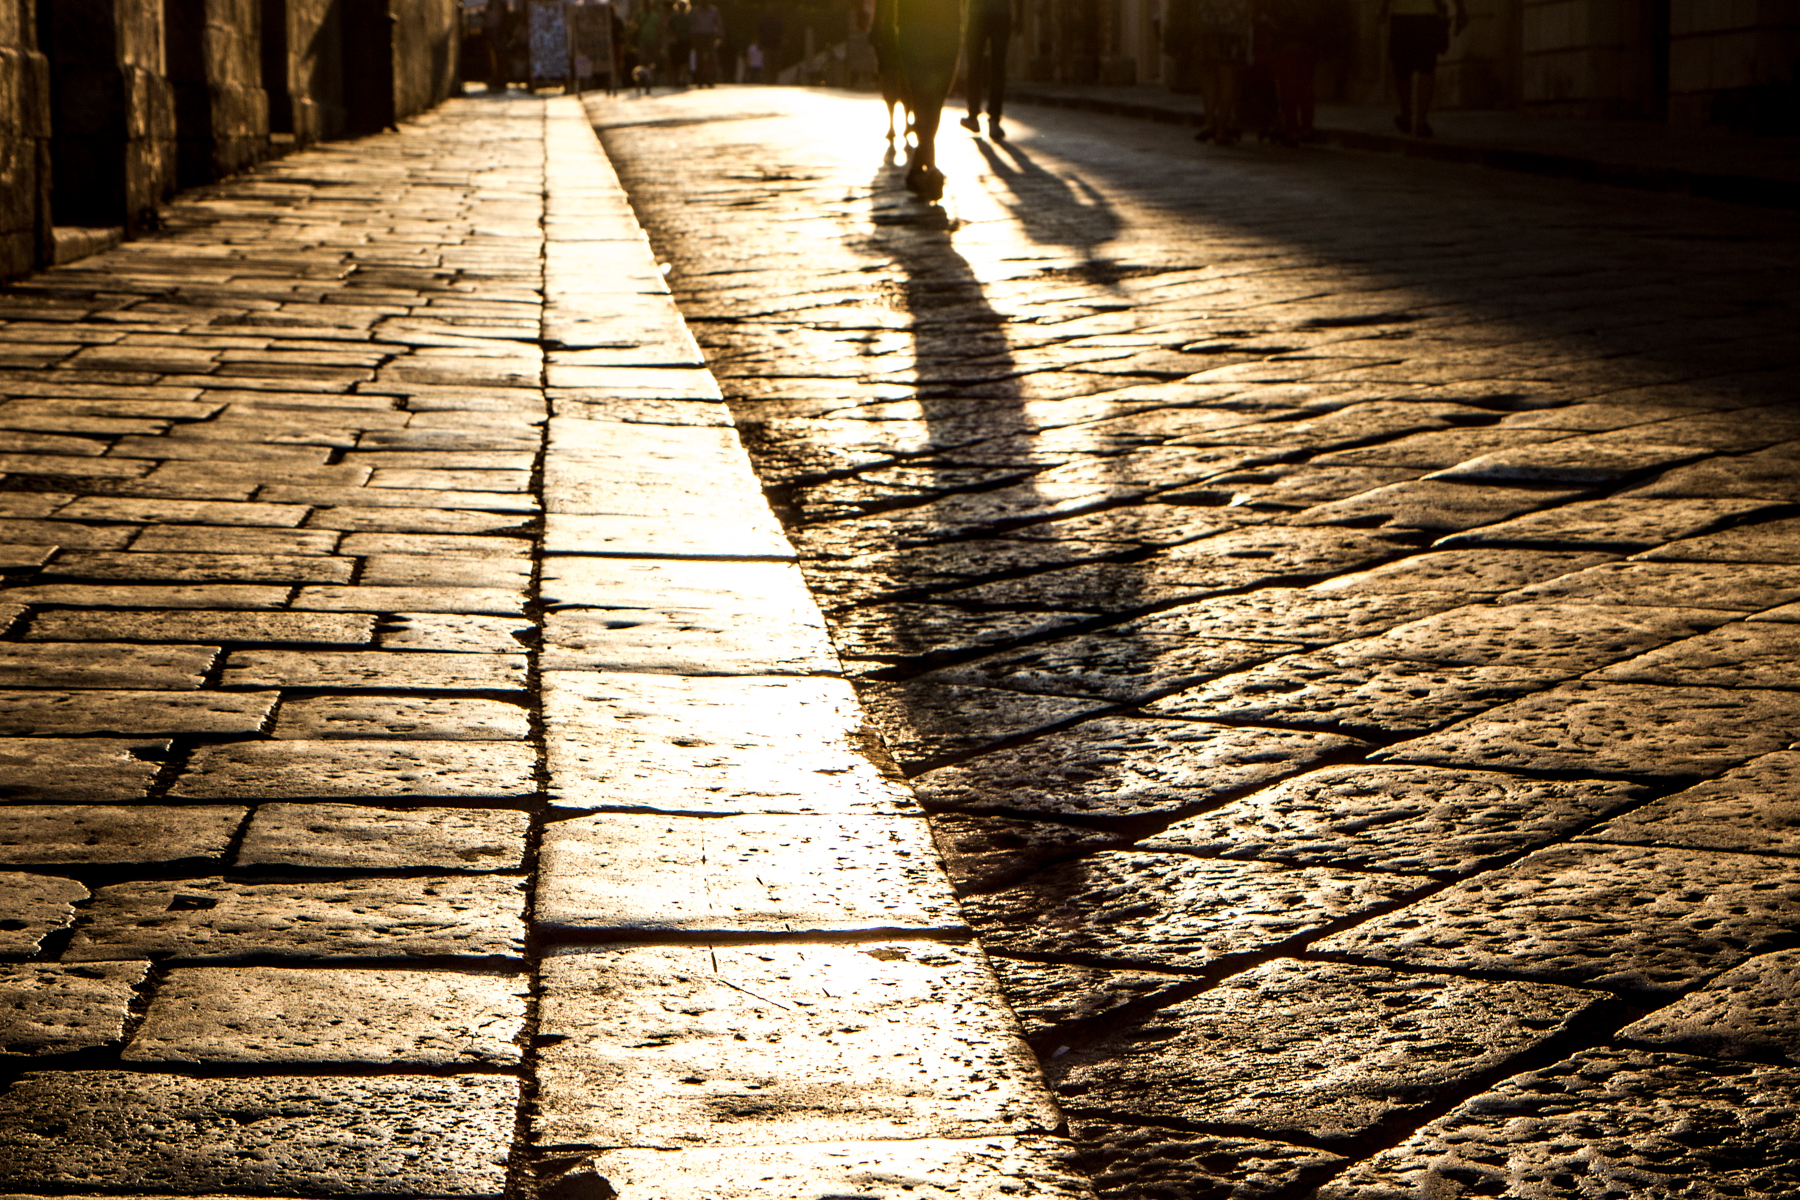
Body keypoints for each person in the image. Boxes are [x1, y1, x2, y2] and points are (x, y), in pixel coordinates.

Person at [1384, 0, 1464, 136]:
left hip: (1401, 15)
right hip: (1428, 15)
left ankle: (1406, 116)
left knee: (1402, 70)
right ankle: (1421, 122)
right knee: (1427, 68)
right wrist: (1460, 9)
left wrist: (1383, 9)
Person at [1192, 0, 1250, 143]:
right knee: (1227, 79)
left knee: (1210, 76)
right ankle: (1221, 129)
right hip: (1231, 28)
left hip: (1208, 25)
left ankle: (1209, 123)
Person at [958, 0, 1014, 140]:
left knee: (974, 64)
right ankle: (994, 119)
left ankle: (973, 116)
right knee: (998, 67)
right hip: (1001, 11)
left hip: (978, 11)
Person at [691, 1, 724, 84]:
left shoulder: (713, 10)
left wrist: (720, 34)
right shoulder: (695, 11)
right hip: (699, 35)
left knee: (711, 57)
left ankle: (710, 78)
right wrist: (693, 35)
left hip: (710, 35)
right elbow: (692, 24)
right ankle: (700, 79)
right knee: (699, 56)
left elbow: (718, 23)